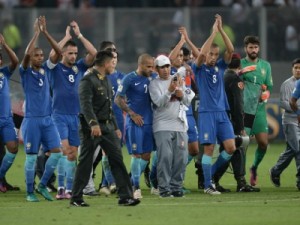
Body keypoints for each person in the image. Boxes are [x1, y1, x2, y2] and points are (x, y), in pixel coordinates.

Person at [70, 50, 140, 207]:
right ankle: (76, 197)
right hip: (91, 128)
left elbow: (108, 106)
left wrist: (115, 126)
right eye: (111, 62)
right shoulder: (88, 80)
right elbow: (85, 105)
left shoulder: (105, 80)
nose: (113, 65)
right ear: (105, 63)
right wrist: (93, 123)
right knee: (85, 162)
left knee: (117, 159)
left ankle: (125, 196)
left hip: (107, 127)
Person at [48, 21, 97, 199]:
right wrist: (67, 37)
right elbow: (53, 54)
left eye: (75, 54)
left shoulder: (79, 67)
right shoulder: (54, 67)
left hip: (76, 116)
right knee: (66, 150)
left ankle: (68, 189)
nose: (74, 56)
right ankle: (61, 188)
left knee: (73, 154)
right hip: (59, 115)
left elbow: (94, 54)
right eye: (70, 53)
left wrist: (80, 35)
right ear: (63, 54)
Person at [192, 14, 236, 195]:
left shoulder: (220, 67)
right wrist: (212, 34)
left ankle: (210, 175)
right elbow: (201, 54)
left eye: (215, 55)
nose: (213, 57)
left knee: (231, 148)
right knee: (209, 148)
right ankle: (208, 185)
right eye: (211, 54)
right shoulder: (199, 68)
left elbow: (231, 50)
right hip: (207, 112)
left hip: (222, 112)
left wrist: (220, 31)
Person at [20, 16, 62, 202]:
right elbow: (26, 55)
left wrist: (45, 32)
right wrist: (36, 32)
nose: (39, 57)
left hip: (48, 119)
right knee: (30, 158)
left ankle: (42, 185)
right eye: (37, 55)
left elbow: (59, 53)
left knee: (57, 153)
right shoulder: (25, 71)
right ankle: (30, 192)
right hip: (31, 120)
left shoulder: (47, 69)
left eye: (41, 55)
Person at [212, 53, 260, 192]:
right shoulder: (235, 79)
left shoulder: (222, 76)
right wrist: (240, 127)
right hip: (231, 120)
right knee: (234, 148)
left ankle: (219, 180)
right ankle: (232, 181)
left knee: (229, 150)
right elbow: (238, 105)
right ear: (239, 64)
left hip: (220, 117)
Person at [149, 54, 194, 197]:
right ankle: (164, 188)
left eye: (167, 66)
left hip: (180, 125)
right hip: (162, 125)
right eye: (162, 67)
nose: (166, 70)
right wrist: (170, 90)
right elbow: (159, 102)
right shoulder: (154, 84)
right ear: (156, 69)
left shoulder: (178, 80)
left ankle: (176, 187)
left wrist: (181, 94)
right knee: (165, 158)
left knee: (181, 158)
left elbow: (187, 101)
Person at [115, 53, 155, 199]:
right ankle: (135, 187)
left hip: (149, 122)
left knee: (146, 155)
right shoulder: (129, 78)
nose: (152, 69)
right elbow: (117, 99)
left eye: (153, 66)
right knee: (136, 154)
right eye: (149, 66)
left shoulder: (153, 78)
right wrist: (131, 113)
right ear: (141, 65)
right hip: (135, 122)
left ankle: (130, 180)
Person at [240, 35, 273, 186]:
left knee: (263, 143)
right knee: (243, 145)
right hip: (244, 111)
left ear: (259, 48)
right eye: (251, 47)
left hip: (259, 110)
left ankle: (254, 167)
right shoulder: (240, 64)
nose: (253, 50)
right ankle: (242, 178)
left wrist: (266, 94)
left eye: (256, 47)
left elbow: (268, 87)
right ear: (246, 48)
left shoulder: (265, 65)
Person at [270, 58, 300, 190]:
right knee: (298, 149)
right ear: (292, 69)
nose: (298, 70)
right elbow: (282, 103)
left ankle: (275, 171)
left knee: (292, 150)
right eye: (296, 68)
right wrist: (297, 110)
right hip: (290, 120)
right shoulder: (287, 84)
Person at [0, 33, 19, 192]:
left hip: (6, 120)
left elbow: (15, 61)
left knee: (13, 148)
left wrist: (5, 45)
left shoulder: (4, 73)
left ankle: (0, 179)